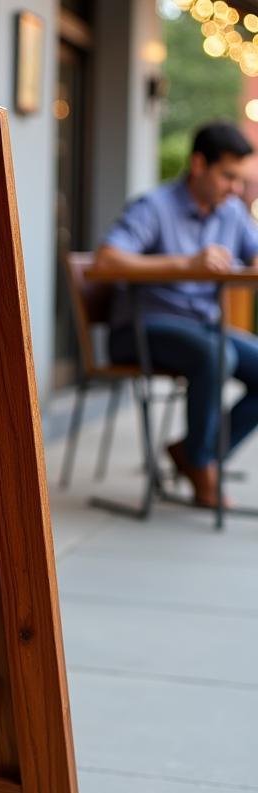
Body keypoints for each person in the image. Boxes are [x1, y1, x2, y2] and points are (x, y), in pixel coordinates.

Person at [95, 121, 258, 508]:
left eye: (241, 180)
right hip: (141, 328)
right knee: (215, 354)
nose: (236, 189)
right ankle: (201, 467)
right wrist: (187, 263)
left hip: (202, 327)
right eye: (228, 177)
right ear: (199, 164)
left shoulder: (232, 212)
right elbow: (106, 258)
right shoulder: (154, 207)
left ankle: (194, 452)